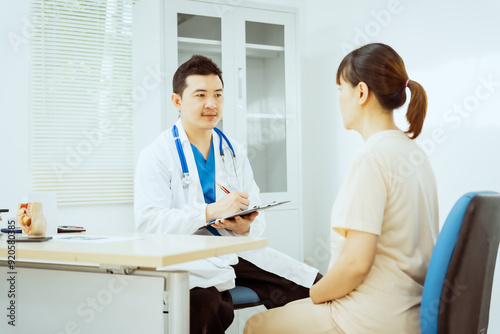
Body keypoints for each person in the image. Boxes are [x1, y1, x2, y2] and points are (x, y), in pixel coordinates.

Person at [244, 43, 439, 334]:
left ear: (361, 92)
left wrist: (315, 294)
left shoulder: (371, 157)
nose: (339, 100)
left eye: (340, 90)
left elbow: (356, 264)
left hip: (369, 319)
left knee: (257, 324)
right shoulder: (414, 153)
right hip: (411, 312)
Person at [134, 55, 320, 334]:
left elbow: (253, 205)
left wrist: (246, 225)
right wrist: (210, 212)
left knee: (312, 284)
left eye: (218, 95)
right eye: (200, 95)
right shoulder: (157, 155)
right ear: (177, 101)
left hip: (231, 248)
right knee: (205, 304)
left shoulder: (232, 149)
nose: (212, 104)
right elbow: (149, 224)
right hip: (185, 255)